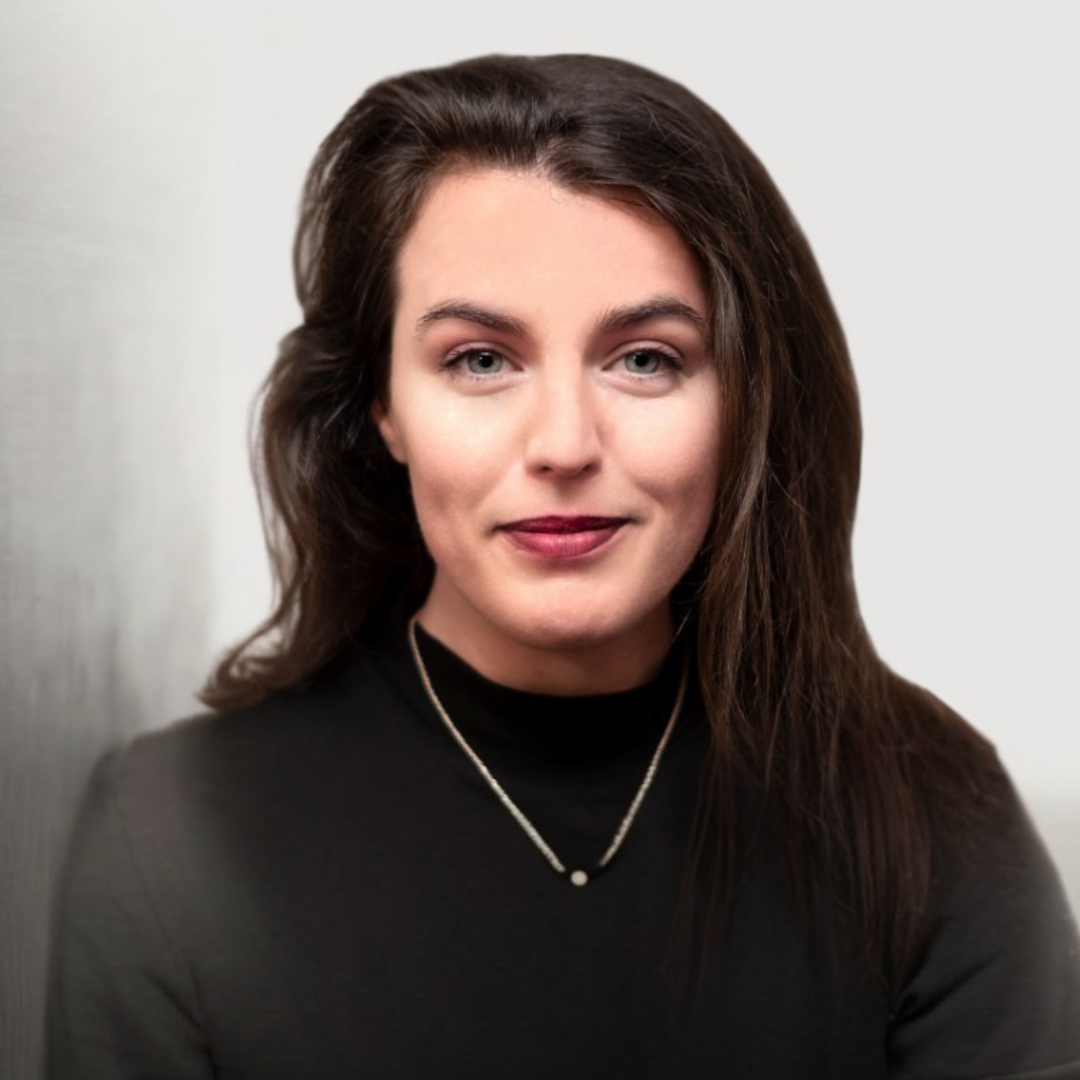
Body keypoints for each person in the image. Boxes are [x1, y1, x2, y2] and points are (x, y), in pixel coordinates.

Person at [47, 54, 1080, 1078]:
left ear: (748, 400)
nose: (564, 445)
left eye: (646, 359)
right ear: (381, 405)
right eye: (480, 360)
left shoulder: (934, 814)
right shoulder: (175, 837)